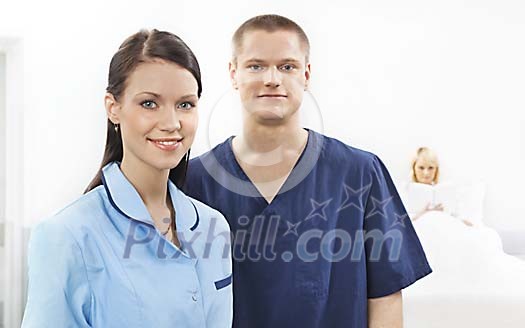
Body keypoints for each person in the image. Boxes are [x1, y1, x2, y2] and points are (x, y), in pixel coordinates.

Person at [184, 15, 431, 328]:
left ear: (306, 74)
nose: (272, 78)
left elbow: (385, 297)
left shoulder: (360, 173)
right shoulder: (194, 182)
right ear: (234, 74)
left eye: (287, 66)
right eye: (256, 65)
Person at [22, 29, 232, 328]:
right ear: (113, 108)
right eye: (149, 103)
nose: (172, 123)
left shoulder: (214, 227)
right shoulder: (66, 236)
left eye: (185, 104)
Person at [408, 147, 473, 226]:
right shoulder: (406, 191)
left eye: (431, 168)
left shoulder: (445, 191)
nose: (426, 173)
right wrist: (424, 213)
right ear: (414, 168)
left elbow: (457, 217)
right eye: (421, 168)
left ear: (436, 170)